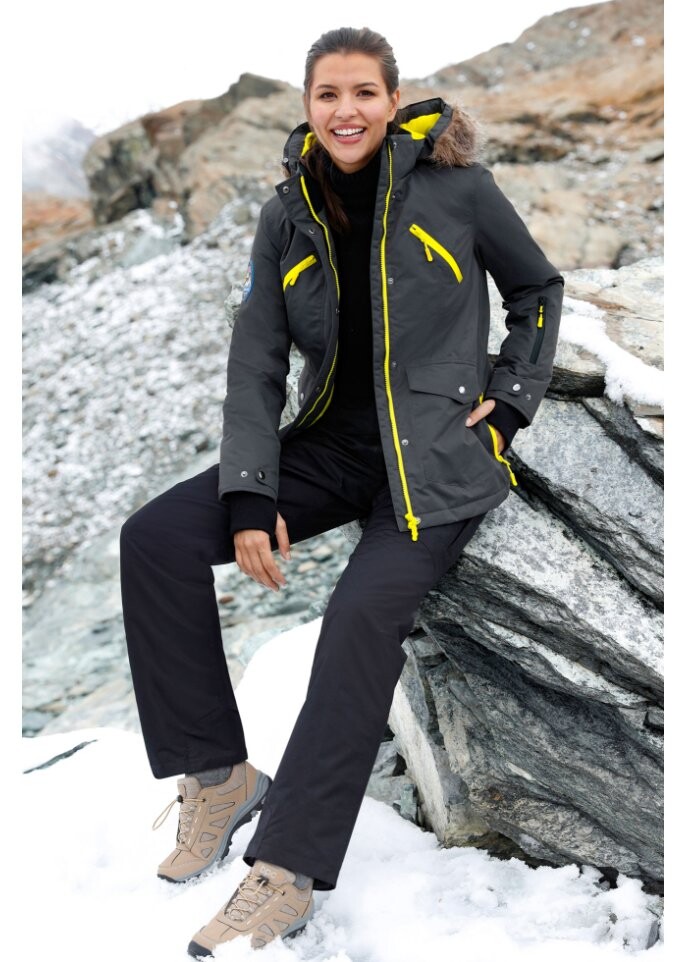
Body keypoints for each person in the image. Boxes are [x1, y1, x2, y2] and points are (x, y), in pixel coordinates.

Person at [119, 25, 564, 958]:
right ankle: (219, 778)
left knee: (356, 622)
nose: (346, 110)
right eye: (328, 94)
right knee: (155, 539)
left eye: (364, 92)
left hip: (435, 460)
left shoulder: (459, 190)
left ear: (393, 101)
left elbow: (536, 290)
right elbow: (255, 359)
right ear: (308, 106)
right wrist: (250, 495)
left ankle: (285, 873)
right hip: (332, 447)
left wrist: (511, 403)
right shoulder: (287, 212)